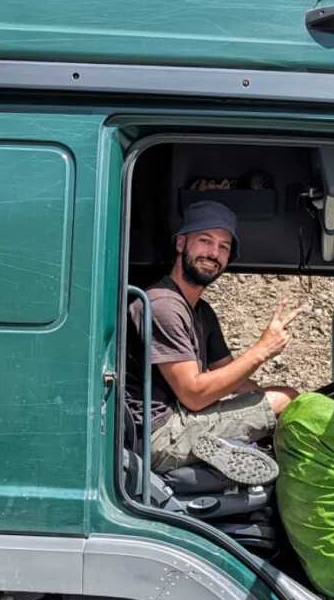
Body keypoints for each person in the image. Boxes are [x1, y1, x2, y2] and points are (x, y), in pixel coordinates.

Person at [126, 200, 306, 484]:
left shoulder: (202, 312)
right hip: (159, 436)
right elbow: (194, 395)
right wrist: (262, 351)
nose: (214, 253)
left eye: (224, 247)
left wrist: (262, 397)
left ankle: (244, 457)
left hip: (182, 417)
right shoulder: (163, 305)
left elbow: (236, 380)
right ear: (182, 244)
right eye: (205, 240)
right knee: (287, 399)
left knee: (286, 399)